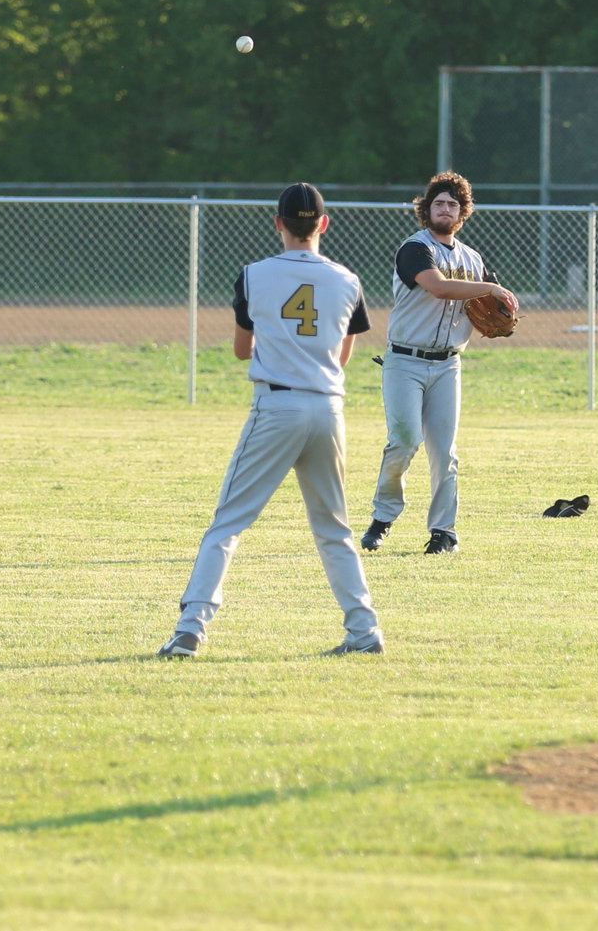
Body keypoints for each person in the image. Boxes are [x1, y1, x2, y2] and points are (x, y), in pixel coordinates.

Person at [157, 182, 384, 658]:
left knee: (228, 525)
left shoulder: (253, 275)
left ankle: (190, 628)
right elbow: (342, 356)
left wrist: (281, 349)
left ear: (278, 223)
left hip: (277, 406)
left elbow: (243, 350)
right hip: (327, 410)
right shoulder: (347, 280)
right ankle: (363, 632)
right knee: (335, 529)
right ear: (323, 224)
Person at [360, 171, 519, 555]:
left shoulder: (472, 259)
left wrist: (503, 315)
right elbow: (438, 286)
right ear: (426, 209)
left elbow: (498, 311)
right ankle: (384, 516)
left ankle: (444, 532)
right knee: (405, 440)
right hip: (405, 361)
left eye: (452, 204)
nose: (445, 209)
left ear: (462, 212)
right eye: (438, 203)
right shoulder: (415, 248)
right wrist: (491, 287)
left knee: (445, 451)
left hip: (448, 365)